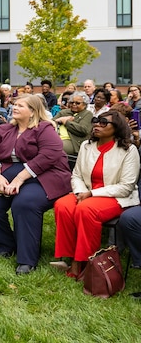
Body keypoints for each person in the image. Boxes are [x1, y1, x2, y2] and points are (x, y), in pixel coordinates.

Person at [0, 95, 72, 275]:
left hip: (46, 175)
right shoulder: (5, 129)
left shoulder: (44, 128)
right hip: (8, 173)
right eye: (14, 104)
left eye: (21, 105)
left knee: (24, 203)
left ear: (33, 112)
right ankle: (5, 246)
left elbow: (49, 155)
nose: (15, 107)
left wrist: (20, 179)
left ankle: (27, 260)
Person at [52, 110, 140, 279]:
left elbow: (126, 186)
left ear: (117, 127)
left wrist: (91, 193)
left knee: (86, 209)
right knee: (62, 205)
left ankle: (85, 261)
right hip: (85, 192)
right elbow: (76, 174)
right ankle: (70, 257)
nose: (97, 124)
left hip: (115, 197)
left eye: (103, 122)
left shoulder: (129, 150)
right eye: (95, 121)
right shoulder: (87, 146)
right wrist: (80, 192)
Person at [53, 91, 93, 156]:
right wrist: (60, 120)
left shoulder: (87, 114)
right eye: (72, 102)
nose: (74, 104)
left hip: (72, 142)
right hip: (55, 137)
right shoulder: (64, 112)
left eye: (77, 103)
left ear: (85, 104)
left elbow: (83, 130)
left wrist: (66, 122)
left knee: (53, 148)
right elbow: (51, 123)